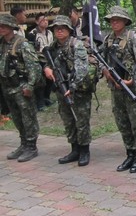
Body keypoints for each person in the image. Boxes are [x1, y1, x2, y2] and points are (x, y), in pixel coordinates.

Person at [101, 6, 136, 174]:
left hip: (131, 89)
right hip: (115, 89)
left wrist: (133, 80)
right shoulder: (108, 39)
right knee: (122, 122)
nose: (114, 22)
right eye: (112, 19)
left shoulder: (133, 38)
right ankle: (129, 153)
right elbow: (101, 59)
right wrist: (106, 72)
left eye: (118, 19)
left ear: (125, 21)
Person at [43, 15, 93, 166]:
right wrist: (46, 68)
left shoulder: (77, 45)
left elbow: (82, 70)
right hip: (61, 89)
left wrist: (71, 88)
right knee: (68, 120)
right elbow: (45, 60)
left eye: (62, 28)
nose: (59, 31)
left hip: (78, 90)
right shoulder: (53, 47)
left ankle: (84, 150)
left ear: (69, 30)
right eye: (56, 28)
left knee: (81, 121)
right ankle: (74, 149)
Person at [0, 14, 41, 162]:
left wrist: (30, 85)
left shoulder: (22, 44)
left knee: (28, 117)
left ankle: (31, 146)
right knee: (17, 118)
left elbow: (34, 68)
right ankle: (23, 144)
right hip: (8, 87)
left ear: (11, 27)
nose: (1, 29)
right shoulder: (2, 44)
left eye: (4, 26)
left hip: (21, 86)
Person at [29, 12, 54, 111]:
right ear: (36, 21)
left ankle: (46, 97)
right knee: (40, 81)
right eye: (43, 20)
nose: (45, 22)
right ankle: (40, 102)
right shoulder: (32, 34)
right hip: (38, 59)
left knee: (50, 79)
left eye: (46, 20)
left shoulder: (50, 33)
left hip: (49, 58)